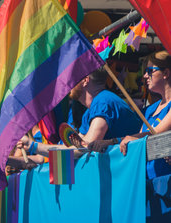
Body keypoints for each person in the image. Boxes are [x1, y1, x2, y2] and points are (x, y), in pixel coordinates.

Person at [14, 67, 142, 159]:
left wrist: (33, 146)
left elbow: (83, 148)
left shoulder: (103, 101)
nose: (68, 84)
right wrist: (31, 146)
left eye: (72, 79)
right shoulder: (90, 111)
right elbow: (73, 149)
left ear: (85, 80)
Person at [90, 51, 171, 179]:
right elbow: (135, 138)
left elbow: (155, 133)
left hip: (165, 183)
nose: (144, 76)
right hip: (145, 182)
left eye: (150, 71)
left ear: (166, 73)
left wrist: (115, 141)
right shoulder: (149, 110)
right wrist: (111, 142)